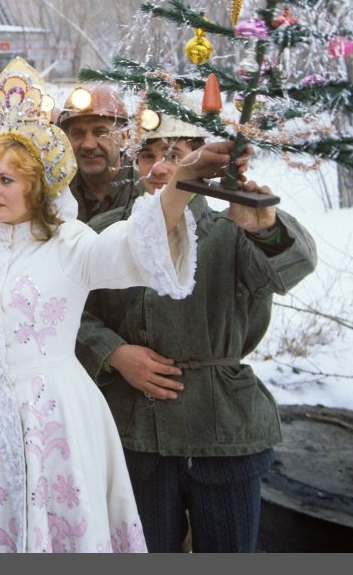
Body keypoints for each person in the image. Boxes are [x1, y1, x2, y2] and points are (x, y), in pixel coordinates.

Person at [0, 55, 245, 553]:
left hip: (57, 418)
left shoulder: (72, 244)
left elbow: (134, 247)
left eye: (8, 180)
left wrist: (176, 187)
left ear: (38, 184)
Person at [76, 112, 318, 553]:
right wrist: (112, 353)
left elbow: (294, 269)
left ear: (200, 162)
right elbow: (67, 313)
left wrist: (264, 226)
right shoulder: (104, 232)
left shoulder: (234, 226)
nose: (159, 168)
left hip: (221, 430)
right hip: (134, 431)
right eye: (147, 155)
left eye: (174, 155)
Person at [56, 82, 135, 222]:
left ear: (124, 137)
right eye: (78, 133)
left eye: (100, 133)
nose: (88, 145)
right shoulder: (57, 194)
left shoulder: (145, 192)